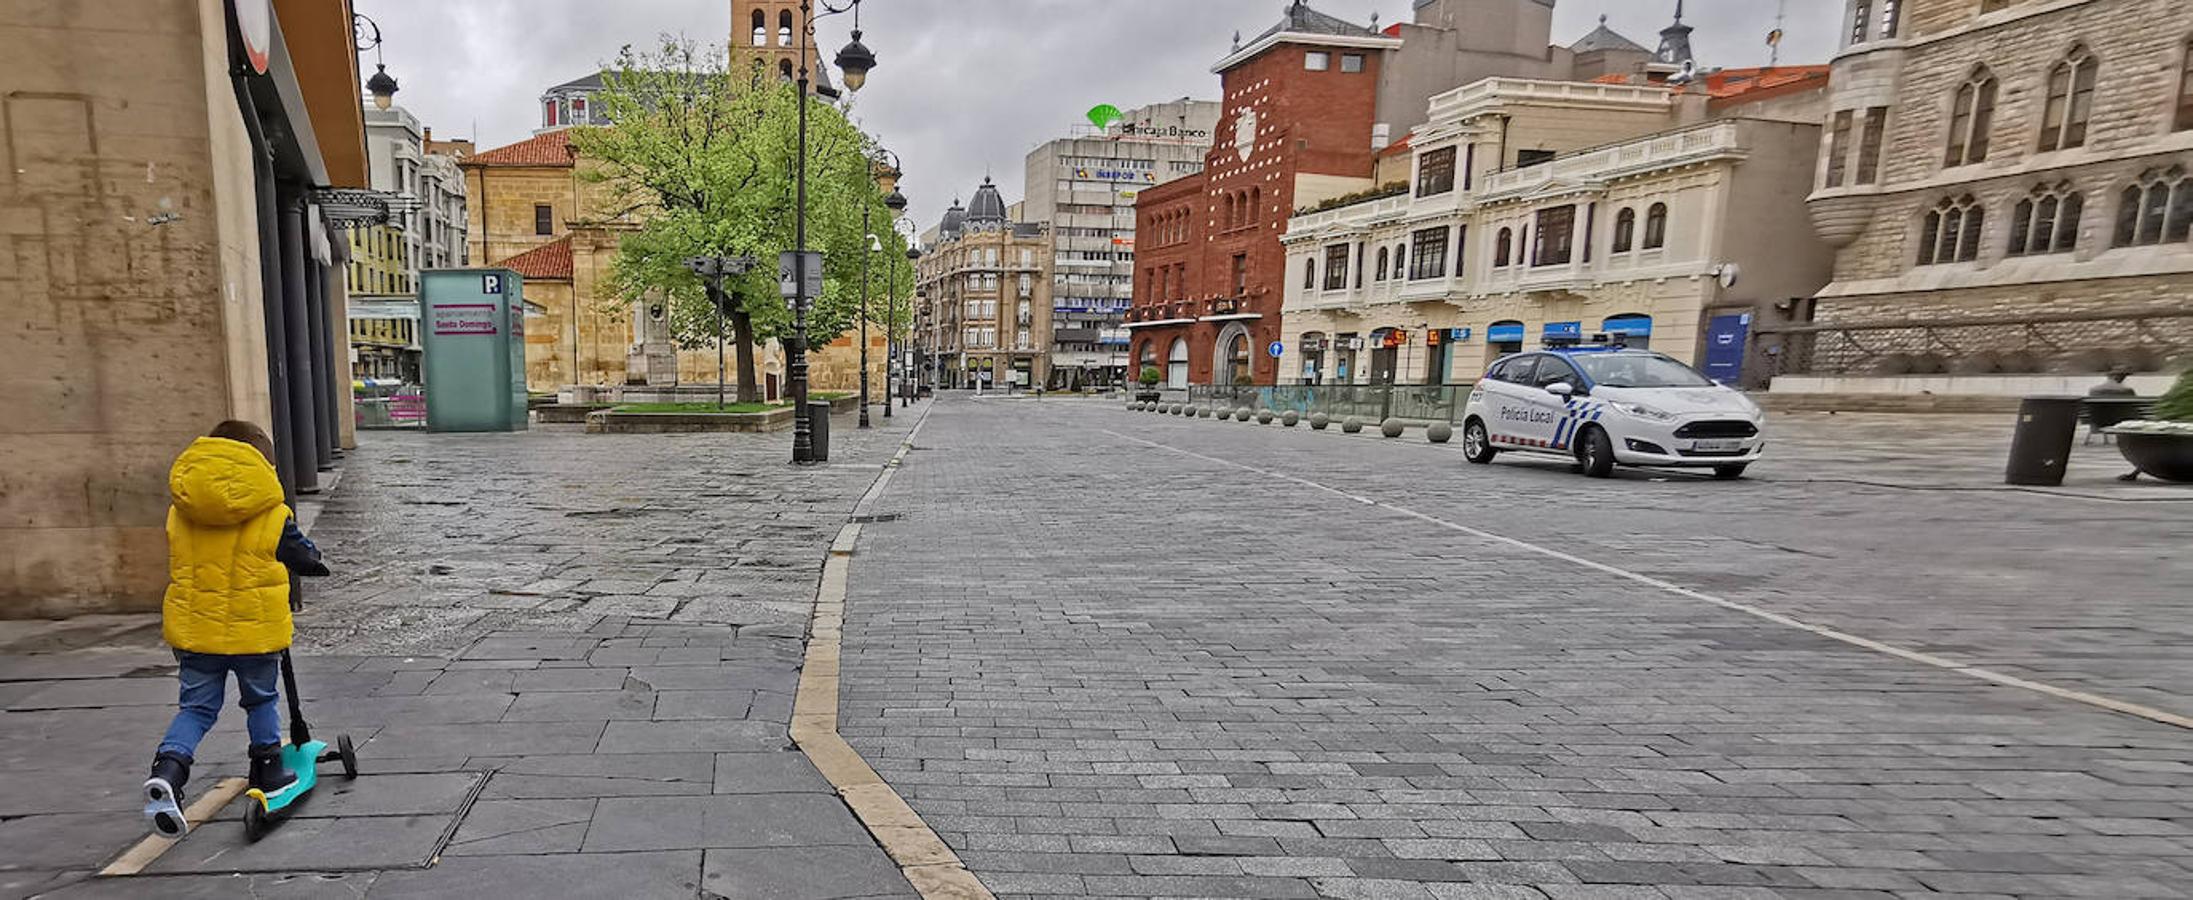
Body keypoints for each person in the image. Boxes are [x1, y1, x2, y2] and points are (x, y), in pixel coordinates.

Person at [142, 421, 329, 838]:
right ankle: (268, 768)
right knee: (260, 700)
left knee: (195, 708)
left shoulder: (182, 509)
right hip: (253, 633)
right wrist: (315, 561)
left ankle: (168, 772)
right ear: (261, 464)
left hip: (197, 632)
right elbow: (300, 553)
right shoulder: (272, 512)